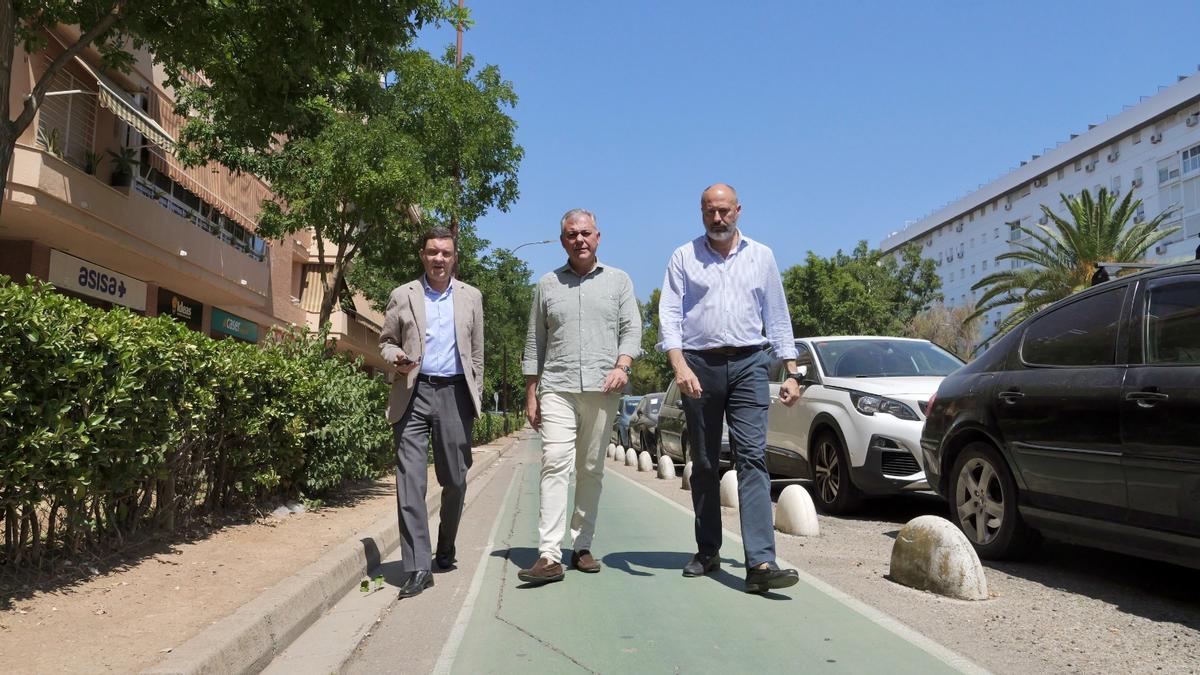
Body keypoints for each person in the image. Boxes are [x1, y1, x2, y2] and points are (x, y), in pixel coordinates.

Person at [658, 183, 804, 594]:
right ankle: (708, 551)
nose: (718, 218)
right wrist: (679, 365)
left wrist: (791, 371)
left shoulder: (762, 257)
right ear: (701, 213)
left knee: (752, 457)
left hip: (750, 364)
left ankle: (760, 560)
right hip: (699, 366)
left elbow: (777, 316)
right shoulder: (683, 257)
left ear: (738, 210)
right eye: (710, 212)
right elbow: (669, 315)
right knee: (704, 462)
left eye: (724, 211)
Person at [518, 208, 642, 584]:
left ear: (598, 237)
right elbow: (534, 340)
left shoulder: (619, 281)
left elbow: (631, 328)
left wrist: (622, 366)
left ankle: (582, 545)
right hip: (558, 386)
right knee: (555, 461)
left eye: (585, 233)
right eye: (572, 234)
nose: (579, 240)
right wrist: (530, 391)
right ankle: (549, 555)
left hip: (604, 391)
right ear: (563, 241)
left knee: (590, 469)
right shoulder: (547, 284)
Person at [379, 227, 485, 599]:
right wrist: (396, 358)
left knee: (455, 479)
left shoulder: (471, 297)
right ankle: (418, 566)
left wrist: (476, 398)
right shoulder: (402, 295)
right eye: (432, 252)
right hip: (413, 391)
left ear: (454, 258)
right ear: (422, 256)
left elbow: (476, 355)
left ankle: (446, 544)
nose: (438, 259)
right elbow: (386, 341)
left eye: (445, 253)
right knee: (410, 481)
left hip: (455, 393)